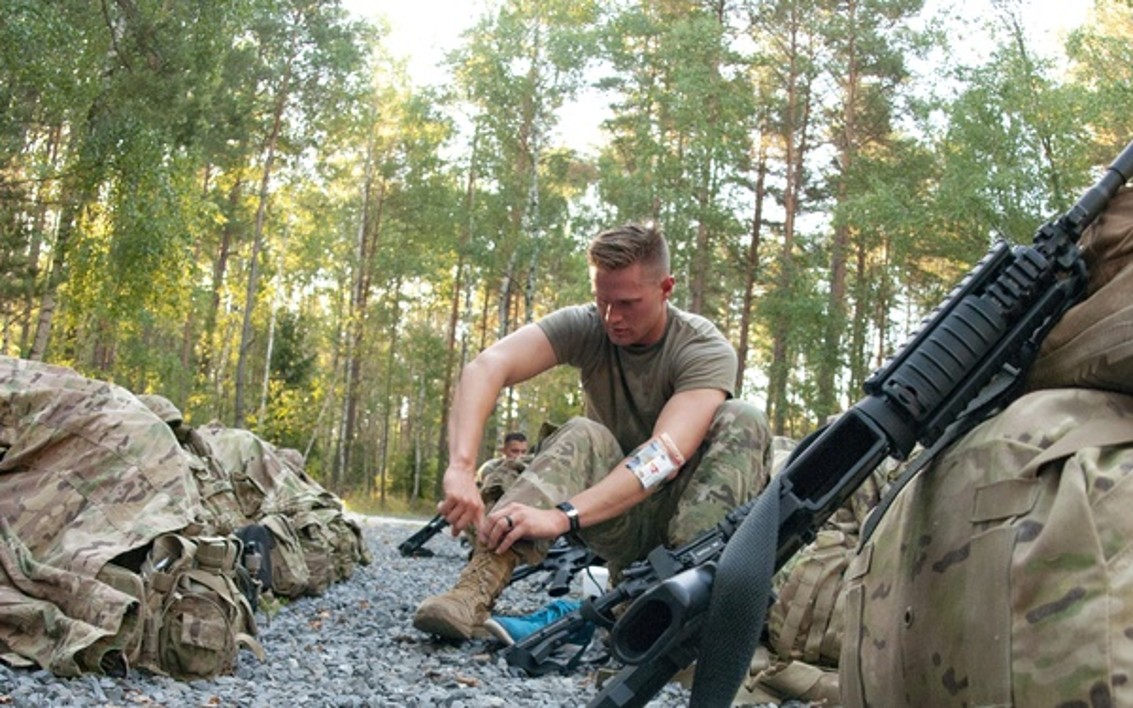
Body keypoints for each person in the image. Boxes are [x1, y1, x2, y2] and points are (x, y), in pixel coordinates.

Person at [412, 222, 772, 640]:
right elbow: (486, 367)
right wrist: (460, 466)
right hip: (623, 519)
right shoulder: (590, 325)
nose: (612, 317)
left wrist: (561, 517)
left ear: (666, 288)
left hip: (696, 530)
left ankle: (690, 609)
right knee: (583, 432)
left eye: (627, 303)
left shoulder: (702, 348)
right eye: (602, 301)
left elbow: (663, 457)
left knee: (743, 417)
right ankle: (472, 591)